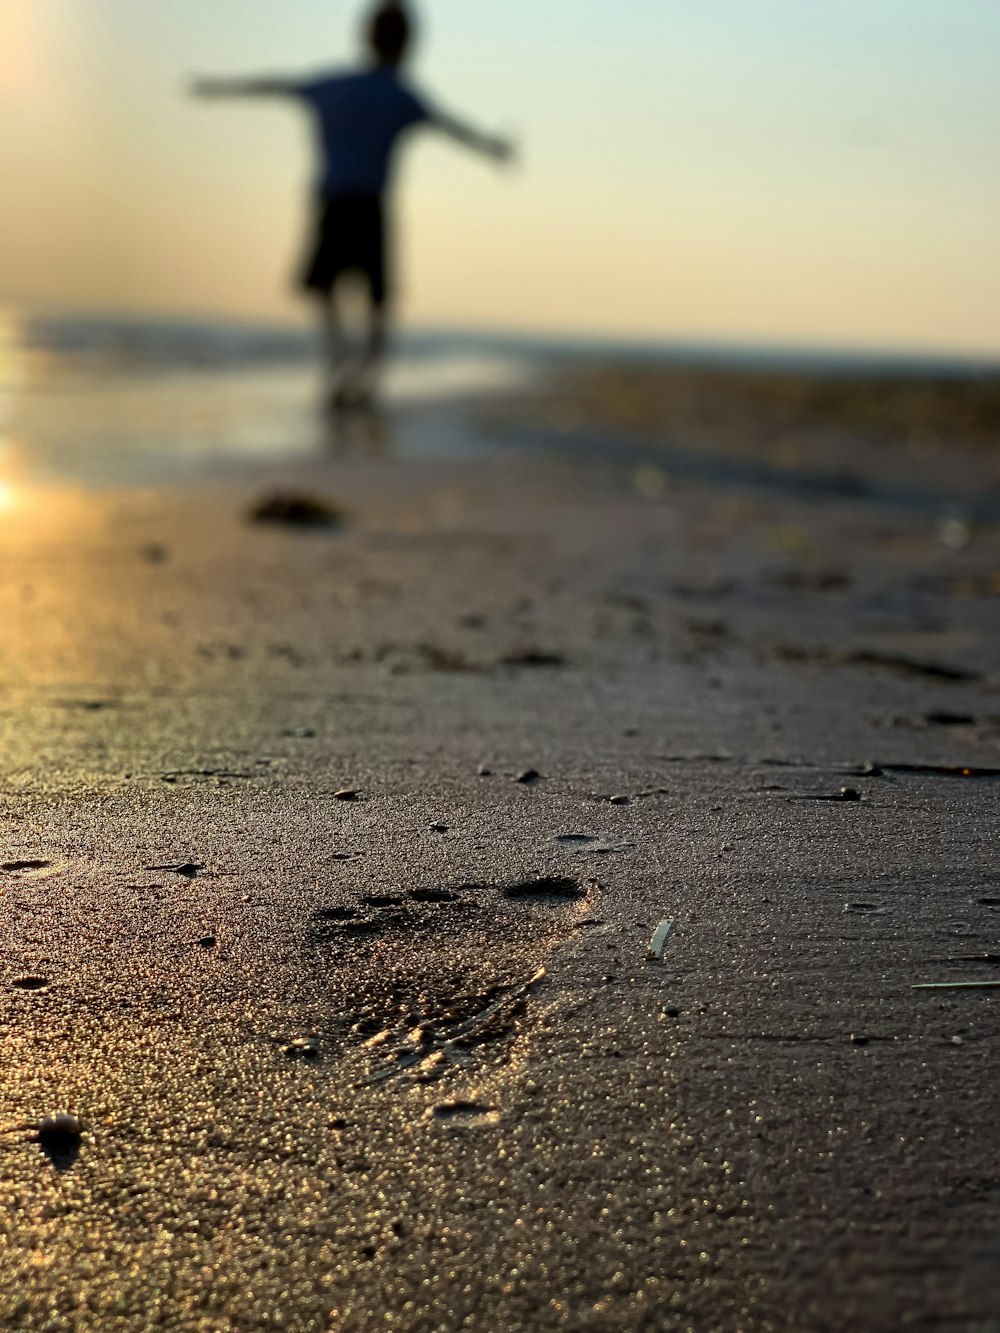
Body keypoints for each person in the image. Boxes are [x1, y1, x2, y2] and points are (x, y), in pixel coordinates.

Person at [192, 1, 513, 410]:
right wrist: (495, 148)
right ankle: (365, 381)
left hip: (333, 202)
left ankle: (338, 367)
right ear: (407, 45)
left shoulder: (336, 85)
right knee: (378, 301)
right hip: (370, 207)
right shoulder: (400, 95)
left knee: (327, 292)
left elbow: (272, 85)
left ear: (366, 37)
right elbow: (457, 130)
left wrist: (216, 88)